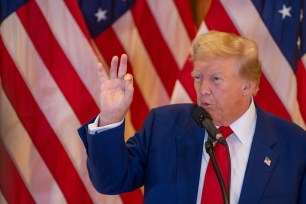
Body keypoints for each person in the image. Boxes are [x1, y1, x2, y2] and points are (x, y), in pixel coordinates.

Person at [78, 31, 306, 204]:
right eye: (198, 77)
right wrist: (110, 117)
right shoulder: (163, 126)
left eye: (216, 79)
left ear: (248, 86)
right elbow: (111, 181)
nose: (203, 89)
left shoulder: (294, 146)